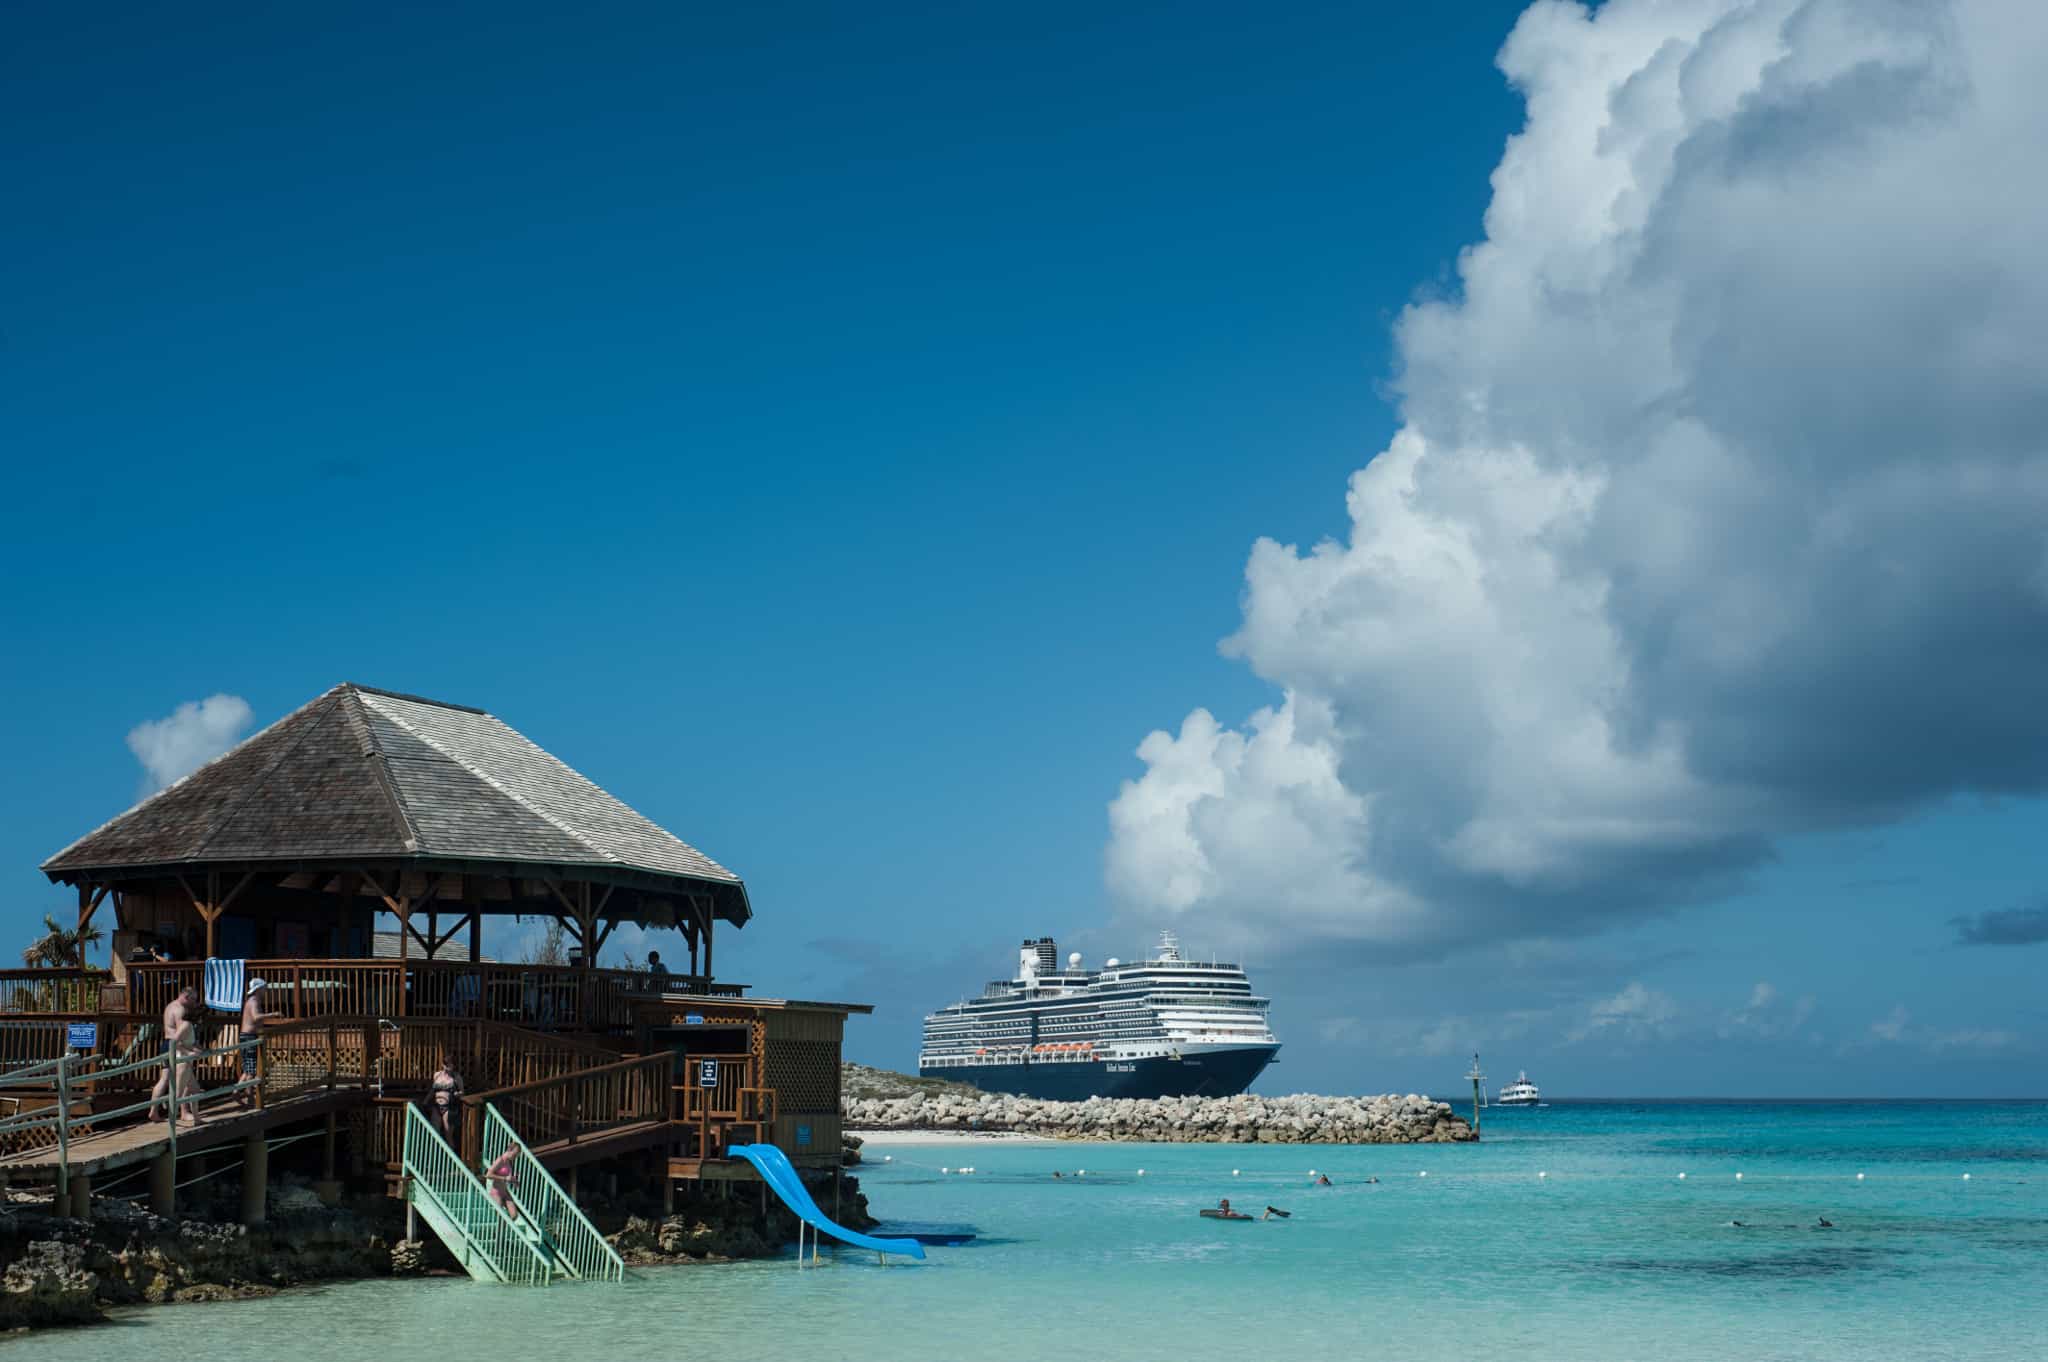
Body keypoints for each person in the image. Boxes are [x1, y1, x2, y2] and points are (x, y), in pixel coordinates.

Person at [148, 986, 201, 1121]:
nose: (194, 1003)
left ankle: (154, 1111)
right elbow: (181, 1034)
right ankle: (182, 1111)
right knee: (182, 1080)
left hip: (168, 1044)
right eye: (193, 1000)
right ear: (186, 997)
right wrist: (189, 1050)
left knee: (165, 1079)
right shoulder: (180, 1010)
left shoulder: (170, 1005)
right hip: (176, 1047)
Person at [237, 979, 283, 1108]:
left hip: (245, 1036)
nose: (265, 991)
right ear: (258, 989)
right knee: (251, 1070)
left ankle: (236, 1092)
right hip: (250, 1036)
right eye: (264, 988)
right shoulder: (254, 1001)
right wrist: (273, 1014)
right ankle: (250, 1099)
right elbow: (256, 1017)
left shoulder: (250, 1001)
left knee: (247, 1069)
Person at [429, 1052, 464, 1143]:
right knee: (435, 1133)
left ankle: (451, 1153)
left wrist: (457, 1094)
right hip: (436, 1106)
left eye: (449, 1065)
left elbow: (462, 1092)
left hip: (449, 1107)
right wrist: (426, 1100)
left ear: (453, 1066)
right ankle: (436, 1154)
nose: (447, 1067)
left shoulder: (456, 1077)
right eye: (445, 1065)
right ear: (442, 1064)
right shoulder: (437, 1075)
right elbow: (433, 1090)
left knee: (448, 1133)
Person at [487, 1143, 523, 1221]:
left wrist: (514, 1181)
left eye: (517, 1155)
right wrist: (505, 1178)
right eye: (515, 1154)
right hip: (496, 1192)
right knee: (501, 1216)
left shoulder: (509, 1162)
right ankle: (499, 1231)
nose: (515, 1157)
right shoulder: (500, 1160)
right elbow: (488, 1175)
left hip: (505, 1192)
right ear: (509, 1150)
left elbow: (507, 1177)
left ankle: (504, 1228)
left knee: (514, 1215)